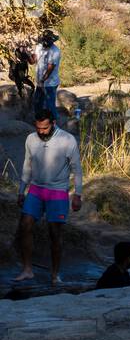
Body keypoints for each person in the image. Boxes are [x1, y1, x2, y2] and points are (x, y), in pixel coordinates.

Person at [14, 107, 83, 286]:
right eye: (38, 127)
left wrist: (78, 194)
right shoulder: (31, 139)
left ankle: (54, 274)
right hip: (36, 189)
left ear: (53, 123)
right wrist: (22, 190)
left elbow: (77, 169)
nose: (41, 131)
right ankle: (28, 270)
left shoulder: (67, 140)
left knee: (55, 234)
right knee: (25, 225)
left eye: (44, 128)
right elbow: (27, 165)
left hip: (58, 192)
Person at [30, 29, 62, 122]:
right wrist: (26, 55)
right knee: (37, 102)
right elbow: (33, 61)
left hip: (50, 83)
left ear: (52, 40)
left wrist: (42, 80)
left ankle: (53, 123)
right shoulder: (39, 46)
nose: (45, 42)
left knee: (50, 105)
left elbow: (50, 69)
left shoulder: (55, 51)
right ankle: (39, 121)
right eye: (44, 39)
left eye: (48, 40)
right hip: (40, 81)